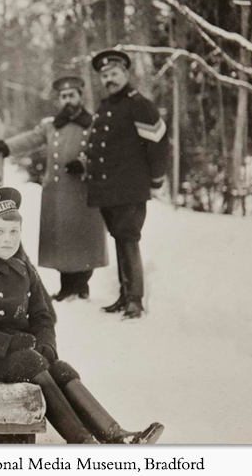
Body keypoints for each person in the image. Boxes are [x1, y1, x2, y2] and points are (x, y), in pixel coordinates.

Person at [0, 187, 164, 444]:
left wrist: (46, 343)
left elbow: (42, 315)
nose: (7, 239)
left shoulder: (24, 269)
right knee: (29, 362)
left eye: (14, 232)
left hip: (17, 354)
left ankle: (115, 435)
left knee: (59, 368)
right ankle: (82, 442)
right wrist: (9, 343)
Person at [0, 74, 108, 301]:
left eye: (71, 95)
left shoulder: (94, 124)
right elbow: (31, 139)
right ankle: (67, 288)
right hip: (58, 192)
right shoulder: (52, 126)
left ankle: (82, 286)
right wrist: (7, 146)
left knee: (84, 239)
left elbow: (104, 153)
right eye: (63, 96)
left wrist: (84, 163)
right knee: (62, 241)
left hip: (84, 191)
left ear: (80, 97)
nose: (67, 100)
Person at [84, 50, 169, 319]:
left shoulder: (139, 104)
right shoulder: (106, 107)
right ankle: (125, 296)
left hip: (130, 188)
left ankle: (135, 300)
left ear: (126, 74)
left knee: (129, 239)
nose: (109, 79)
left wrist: (156, 179)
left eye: (114, 73)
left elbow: (158, 145)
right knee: (120, 239)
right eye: (105, 75)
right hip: (108, 190)